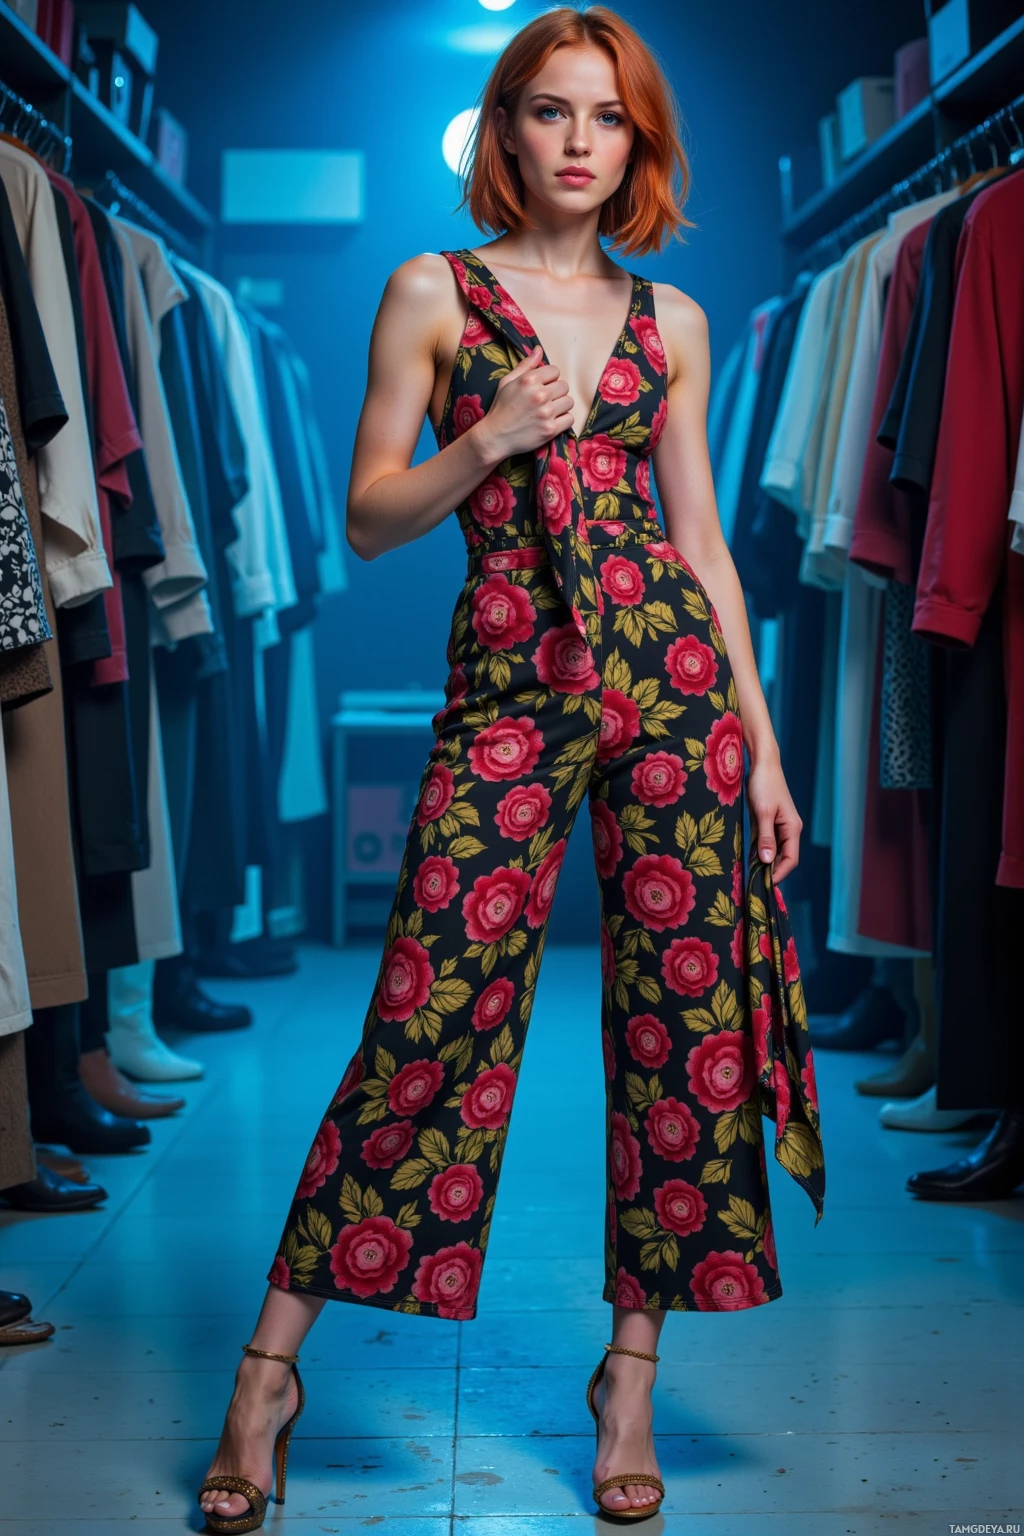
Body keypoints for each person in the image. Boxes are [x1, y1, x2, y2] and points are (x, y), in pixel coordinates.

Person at [198, 6, 823, 1529]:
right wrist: (484, 439)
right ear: (505, 131)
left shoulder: (673, 321)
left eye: (607, 118)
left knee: (684, 1022)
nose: (578, 142)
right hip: (512, 693)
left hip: (673, 687)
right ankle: (268, 1376)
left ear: (637, 144)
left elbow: (701, 544)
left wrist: (762, 744)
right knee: (429, 1011)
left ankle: (631, 1376)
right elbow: (366, 518)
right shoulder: (434, 290)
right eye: (551, 111)